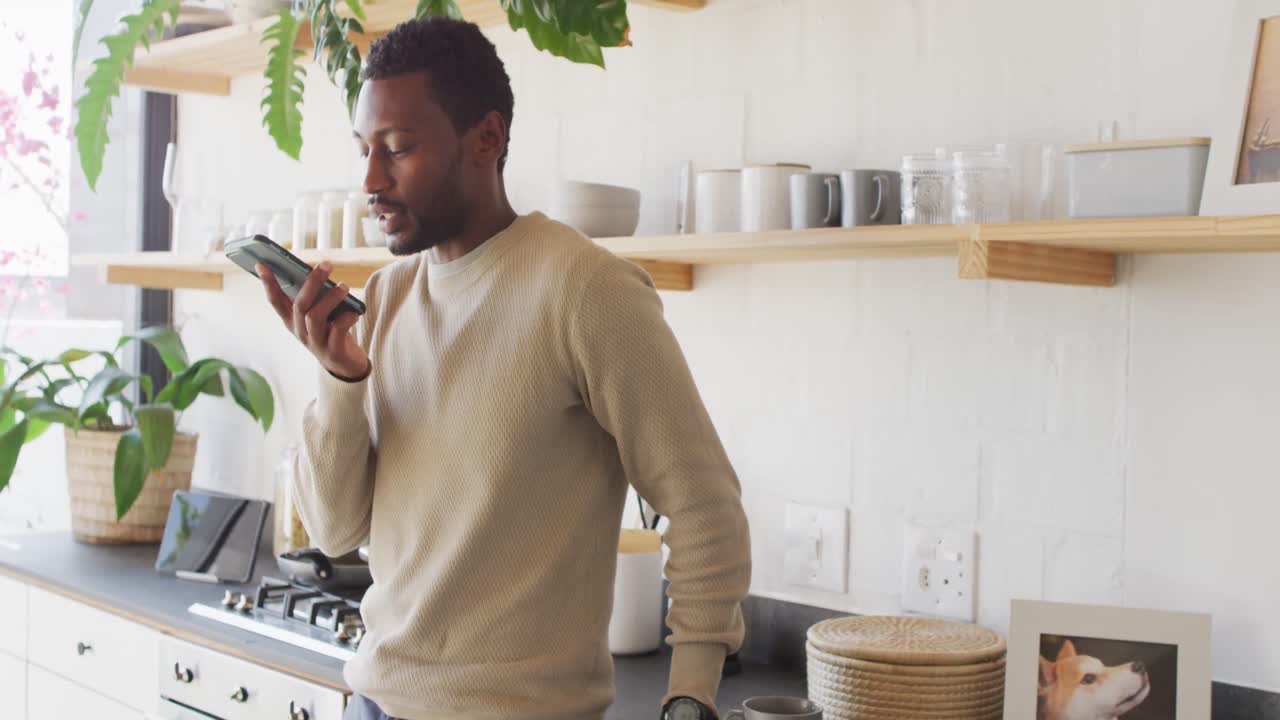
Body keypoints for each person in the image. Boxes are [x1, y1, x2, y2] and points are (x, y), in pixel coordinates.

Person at [256, 16, 750, 720]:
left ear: (486, 138)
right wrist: (338, 380)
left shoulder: (585, 289)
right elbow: (335, 534)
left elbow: (704, 505)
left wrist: (690, 693)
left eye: (396, 149)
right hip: (373, 703)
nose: (371, 178)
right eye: (365, 149)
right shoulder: (389, 299)